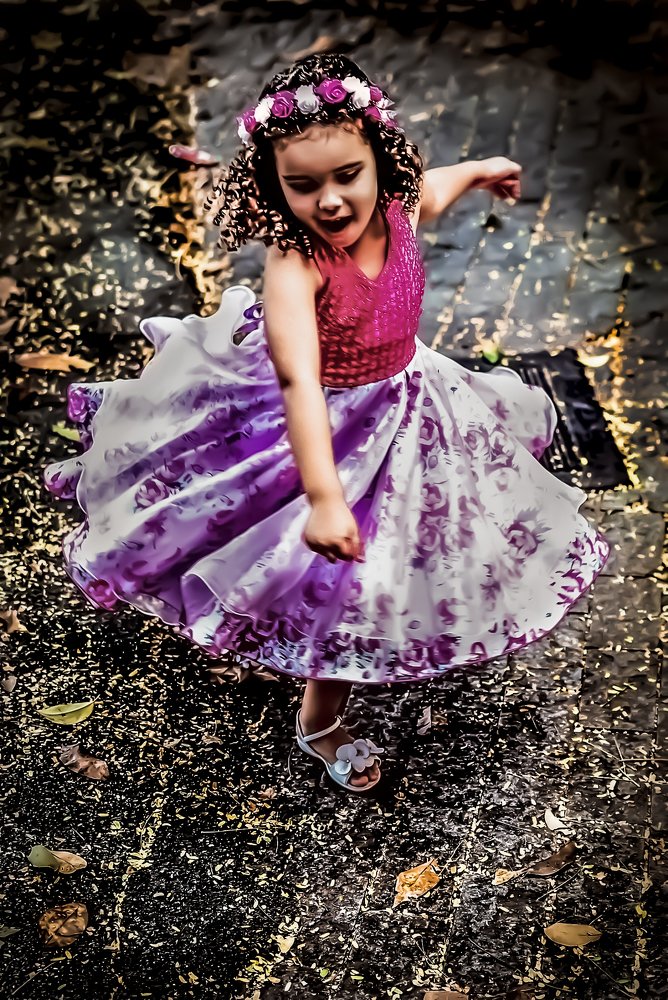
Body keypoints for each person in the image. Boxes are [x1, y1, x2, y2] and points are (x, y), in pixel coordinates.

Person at [43, 53, 611, 794]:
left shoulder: (398, 206)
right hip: (327, 429)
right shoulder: (296, 265)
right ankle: (320, 723)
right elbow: (299, 382)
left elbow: (433, 192)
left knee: (423, 548)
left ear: (381, 162)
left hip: (414, 405)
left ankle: (377, 645)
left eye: (348, 175)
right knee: (338, 586)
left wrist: (480, 170)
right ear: (274, 185)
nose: (332, 201)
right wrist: (323, 497)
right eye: (304, 185)